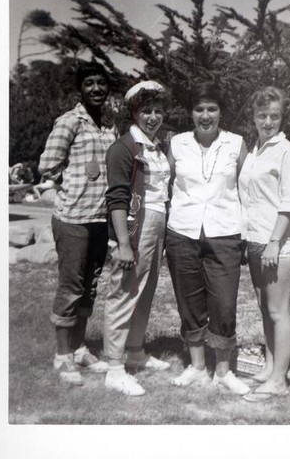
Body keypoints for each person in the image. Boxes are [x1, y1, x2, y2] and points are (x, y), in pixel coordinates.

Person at [165, 81, 250, 395]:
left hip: (225, 233)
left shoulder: (236, 143)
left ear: (221, 112)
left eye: (211, 109)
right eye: (199, 108)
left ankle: (224, 370)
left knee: (224, 304)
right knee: (189, 301)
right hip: (182, 232)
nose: (205, 115)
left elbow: (249, 188)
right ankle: (197, 367)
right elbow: (162, 185)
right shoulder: (177, 144)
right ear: (191, 112)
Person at [39, 61, 117, 385]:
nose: (96, 89)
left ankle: (81, 348)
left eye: (101, 83)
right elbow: (47, 167)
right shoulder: (70, 122)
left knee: (90, 285)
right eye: (90, 84)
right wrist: (62, 197)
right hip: (73, 220)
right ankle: (62, 356)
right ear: (80, 89)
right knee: (71, 286)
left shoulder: (109, 124)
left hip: (100, 220)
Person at [103, 80, 172, 396]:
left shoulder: (157, 146)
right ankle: (115, 368)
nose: (153, 117)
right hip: (134, 228)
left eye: (158, 110)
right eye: (146, 111)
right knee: (124, 292)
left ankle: (135, 350)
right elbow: (116, 199)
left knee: (144, 292)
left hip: (157, 226)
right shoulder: (123, 148)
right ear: (134, 112)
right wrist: (124, 245)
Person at [238, 87, 290, 402]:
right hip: (256, 241)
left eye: (274, 116)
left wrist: (275, 242)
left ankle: (279, 379)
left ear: (282, 117)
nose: (268, 121)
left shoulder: (287, 151)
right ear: (253, 116)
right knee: (265, 308)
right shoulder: (255, 149)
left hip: (278, 243)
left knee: (278, 311)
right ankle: (269, 365)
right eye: (262, 115)